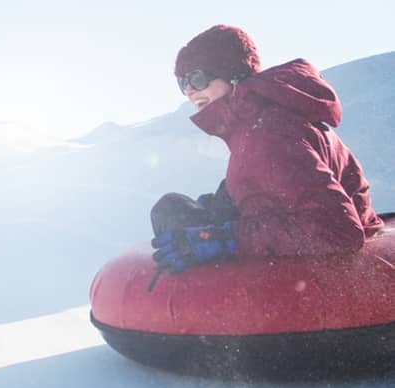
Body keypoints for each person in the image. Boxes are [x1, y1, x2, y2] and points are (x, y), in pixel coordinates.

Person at [150, 24, 384, 280]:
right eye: (182, 83)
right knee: (172, 210)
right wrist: (224, 205)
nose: (190, 91)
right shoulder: (256, 123)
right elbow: (276, 186)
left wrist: (227, 238)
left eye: (197, 78)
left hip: (329, 274)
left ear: (232, 75)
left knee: (174, 220)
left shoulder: (269, 132)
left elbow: (338, 229)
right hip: (302, 239)